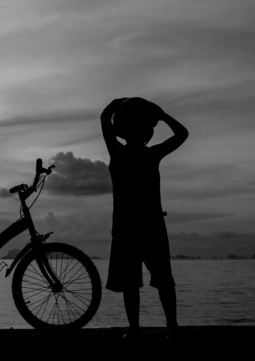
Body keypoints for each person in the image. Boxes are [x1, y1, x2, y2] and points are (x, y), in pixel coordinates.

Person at [100, 97, 189, 342]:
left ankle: (138, 329)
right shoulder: (152, 154)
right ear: (147, 132)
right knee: (163, 280)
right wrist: (163, 114)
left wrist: (114, 104)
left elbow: (104, 120)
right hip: (150, 225)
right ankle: (172, 327)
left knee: (134, 283)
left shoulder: (117, 152)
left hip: (128, 226)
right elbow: (182, 133)